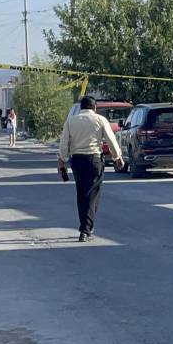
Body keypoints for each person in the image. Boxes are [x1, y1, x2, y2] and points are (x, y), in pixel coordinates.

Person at [59, 96, 125, 242]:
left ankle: (85, 226)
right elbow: (111, 140)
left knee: (81, 193)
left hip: (77, 160)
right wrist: (117, 157)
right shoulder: (100, 120)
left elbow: (64, 143)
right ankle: (86, 230)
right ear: (94, 108)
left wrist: (61, 161)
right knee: (93, 195)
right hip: (94, 160)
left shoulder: (71, 121)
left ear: (81, 107)